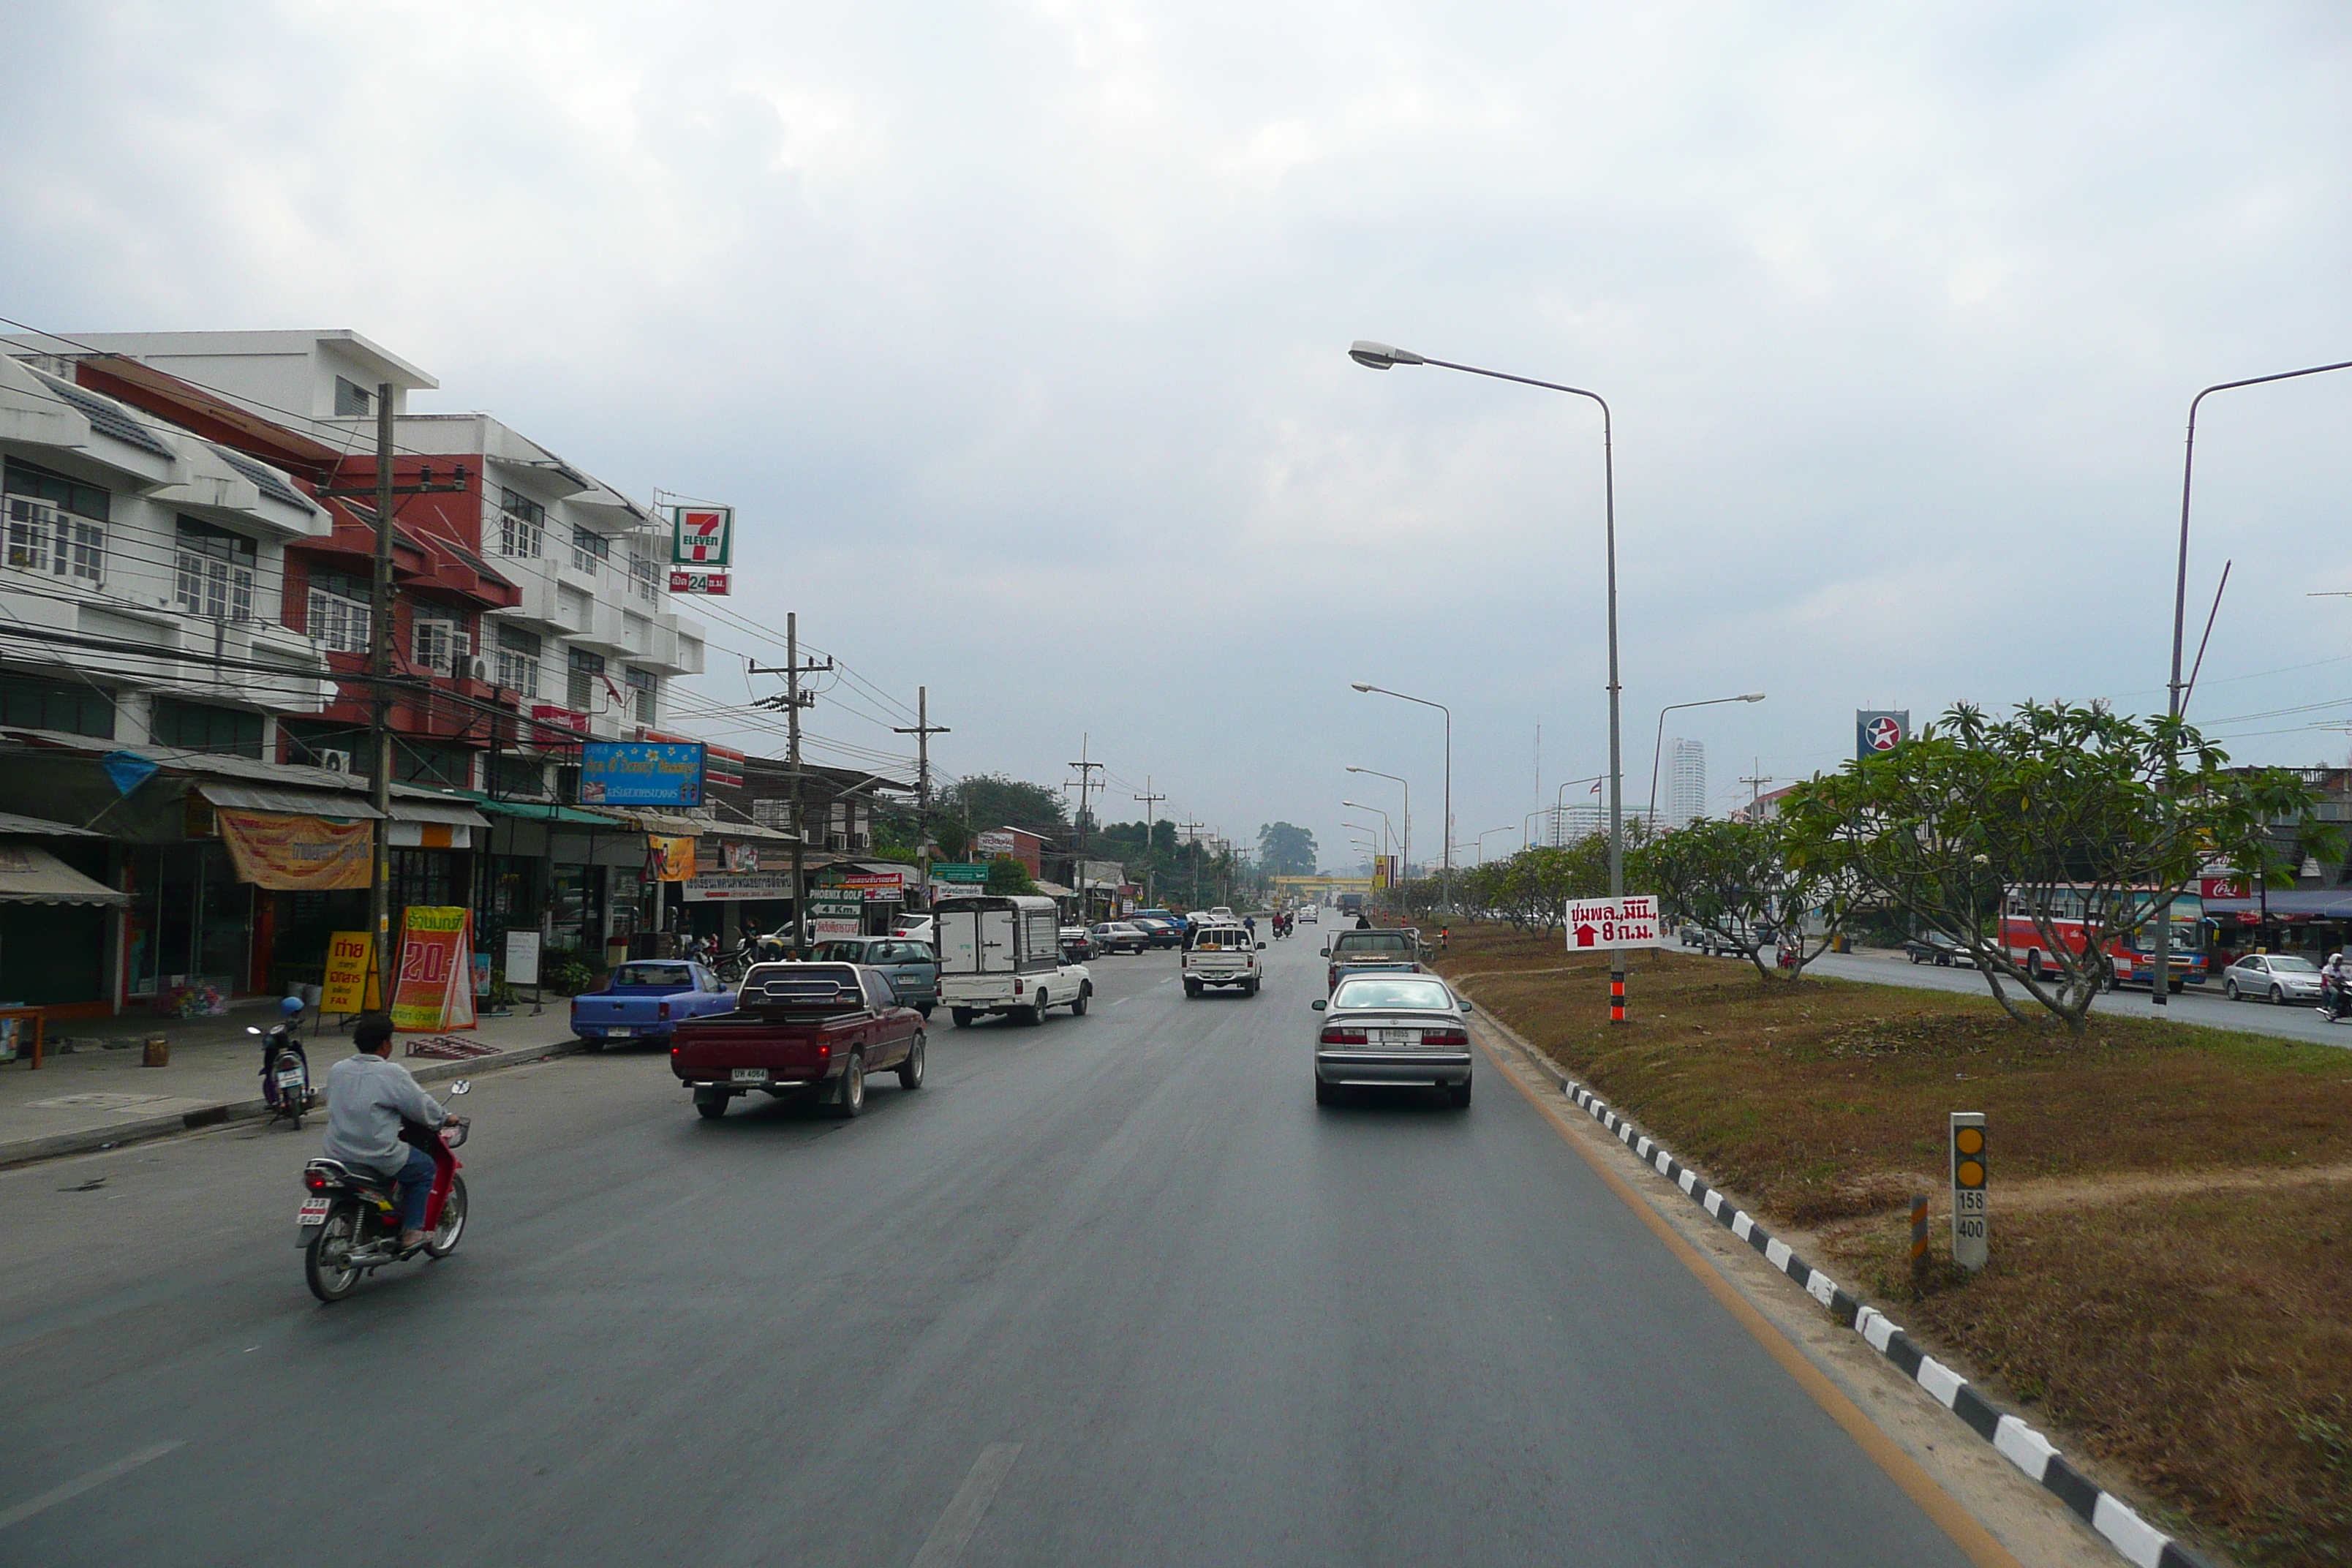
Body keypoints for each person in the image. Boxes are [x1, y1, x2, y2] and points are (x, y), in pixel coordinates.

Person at [323, 1012, 463, 1252]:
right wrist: (446, 1117)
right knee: (424, 1168)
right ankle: (412, 1231)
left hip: (336, 1154)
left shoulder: (338, 1070)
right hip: (377, 1154)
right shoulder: (392, 1073)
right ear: (385, 1044)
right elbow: (420, 1105)